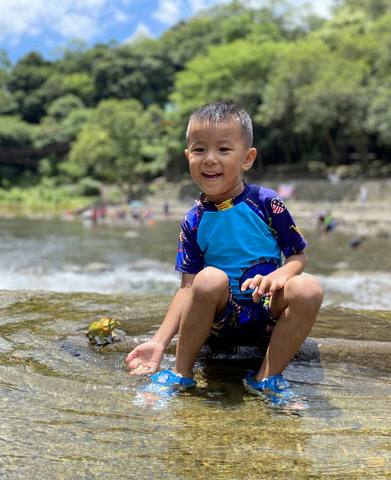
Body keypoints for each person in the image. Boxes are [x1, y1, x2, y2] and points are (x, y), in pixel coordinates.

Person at [125, 102, 323, 407]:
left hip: (267, 310)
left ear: (247, 158)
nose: (210, 160)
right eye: (200, 149)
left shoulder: (267, 203)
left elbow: (298, 257)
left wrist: (278, 276)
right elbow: (188, 288)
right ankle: (180, 373)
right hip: (221, 319)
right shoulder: (194, 219)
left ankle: (266, 378)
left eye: (223, 150)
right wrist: (159, 342)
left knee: (309, 287)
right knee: (208, 279)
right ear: (188, 156)